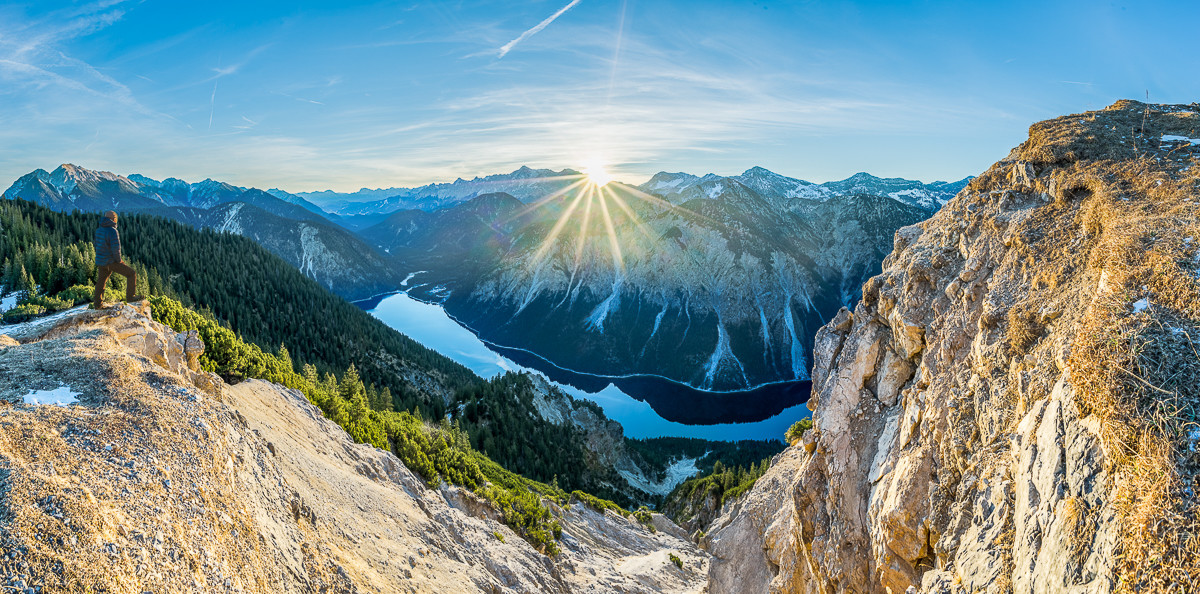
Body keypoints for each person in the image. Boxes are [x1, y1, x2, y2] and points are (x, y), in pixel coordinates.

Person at [93, 210, 144, 308]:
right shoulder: (113, 231)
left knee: (101, 282)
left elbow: (97, 246)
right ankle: (130, 297)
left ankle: (97, 304)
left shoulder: (99, 230)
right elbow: (116, 249)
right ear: (114, 219)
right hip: (110, 261)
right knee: (131, 274)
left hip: (101, 261)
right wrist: (119, 261)